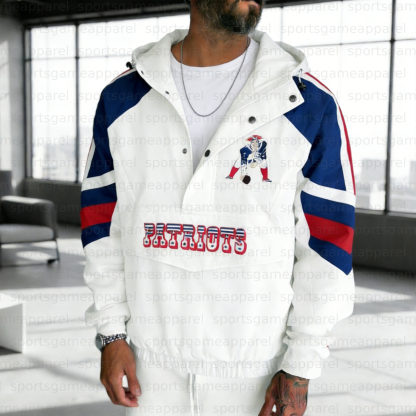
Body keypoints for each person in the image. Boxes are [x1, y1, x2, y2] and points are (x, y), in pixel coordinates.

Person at [80, 0, 356, 414]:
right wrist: (110, 333)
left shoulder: (307, 103)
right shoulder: (122, 99)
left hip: (256, 373)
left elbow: (328, 244)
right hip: (148, 368)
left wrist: (301, 364)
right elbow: (102, 226)